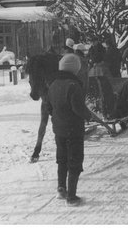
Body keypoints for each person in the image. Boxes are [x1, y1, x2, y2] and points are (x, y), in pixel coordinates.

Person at [45, 53, 93, 206]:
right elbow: (78, 108)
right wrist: (88, 115)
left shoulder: (53, 84)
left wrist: (58, 117)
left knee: (62, 160)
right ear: (75, 69)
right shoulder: (74, 85)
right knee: (74, 161)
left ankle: (61, 189)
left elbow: (49, 107)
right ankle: (71, 197)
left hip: (59, 130)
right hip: (73, 130)